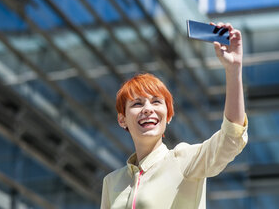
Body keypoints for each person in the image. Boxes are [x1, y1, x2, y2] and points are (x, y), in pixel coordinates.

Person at [100, 23, 248, 209]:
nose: (147, 109)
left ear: (168, 116)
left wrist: (234, 70)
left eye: (156, 102)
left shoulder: (183, 161)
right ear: (122, 119)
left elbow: (231, 138)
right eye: (137, 103)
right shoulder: (112, 182)